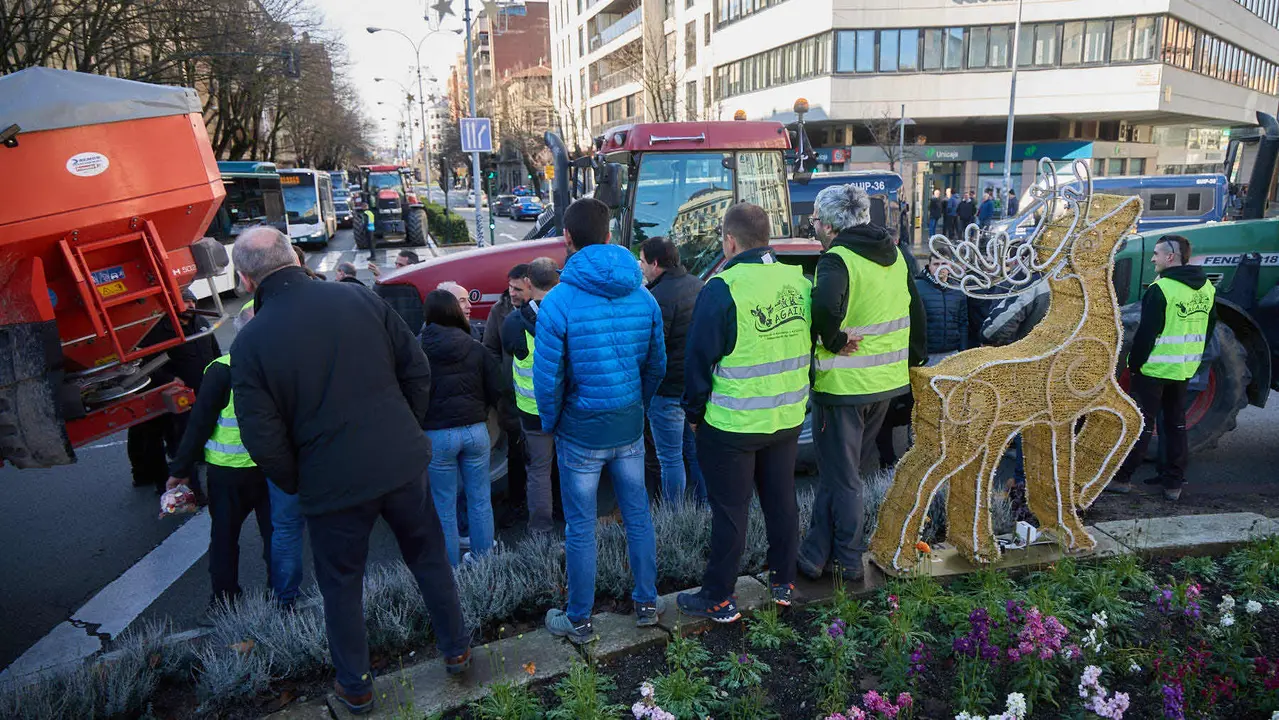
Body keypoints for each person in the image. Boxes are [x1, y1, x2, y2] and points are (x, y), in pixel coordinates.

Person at [228, 227, 471, 714]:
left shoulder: (251, 339)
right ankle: (458, 649)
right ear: (295, 256)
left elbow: (262, 435)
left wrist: (299, 479)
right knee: (430, 560)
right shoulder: (358, 299)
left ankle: (356, 686)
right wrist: (404, 428)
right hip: (401, 463)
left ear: (245, 278)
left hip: (330, 481)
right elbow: (416, 369)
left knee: (341, 585)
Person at [534, 197, 666, 642]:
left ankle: (580, 619)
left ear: (567, 239)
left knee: (581, 526)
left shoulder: (558, 302)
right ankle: (648, 603)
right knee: (638, 516)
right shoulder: (643, 296)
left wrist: (552, 422)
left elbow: (548, 379)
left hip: (580, 432)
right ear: (610, 236)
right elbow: (656, 365)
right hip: (628, 424)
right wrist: (635, 403)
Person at [678, 203, 810, 620]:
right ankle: (784, 582)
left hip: (732, 425)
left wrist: (694, 414)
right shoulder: (798, 281)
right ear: (767, 237)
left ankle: (718, 597)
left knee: (731, 513)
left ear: (729, 241)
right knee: (781, 502)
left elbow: (697, 361)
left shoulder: (722, 287)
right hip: (785, 419)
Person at [798, 184, 927, 583]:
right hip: (884, 385)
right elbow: (915, 310)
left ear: (832, 225)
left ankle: (850, 560)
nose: (814, 228)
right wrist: (915, 360)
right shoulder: (897, 255)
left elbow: (823, 308)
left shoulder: (837, 260)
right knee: (842, 473)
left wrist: (834, 340)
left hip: (843, 389)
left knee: (844, 479)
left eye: (816, 221)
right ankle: (812, 556)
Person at [165, 302, 270, 616]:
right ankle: (282, 595)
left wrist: (180, 469)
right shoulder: (282, 364)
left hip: (227, 474)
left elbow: (199, 424)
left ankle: (224, 603)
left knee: (224, 539)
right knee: (276, 537)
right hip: (270, 468)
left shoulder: (221, 369)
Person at [1108, 235, 1216, 501]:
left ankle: (1122, 479)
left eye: (1157, 254)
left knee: (1141, 424)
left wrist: (1134, 365)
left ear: (1171, 257)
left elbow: (1147, 334)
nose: (1153, 258)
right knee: (1176, 424)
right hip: (1183, 370)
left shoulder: (1162, 289)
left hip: (1154, 370)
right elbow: (1209, 327)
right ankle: (1172, 484)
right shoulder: (1206, 288)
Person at [419, 289, 503, 565]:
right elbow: (496, 388)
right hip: (475, 430)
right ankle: (483, 562)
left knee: (443, 504)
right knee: (480, 499)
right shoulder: (474, 346)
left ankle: (450, 569)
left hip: (437, 434)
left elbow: (411, 393)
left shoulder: (417, 348)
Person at [638, 236, 705, 507]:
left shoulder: (656, 298)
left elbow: (654, 349)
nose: (640, 267)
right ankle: (705, 507)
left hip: (666, 392)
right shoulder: (699, 285)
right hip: (694, 388)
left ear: (655, 264)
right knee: (695, 452)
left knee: (669, 458)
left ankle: (674, 516)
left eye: (642, 261)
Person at [502, 257, 561, 533]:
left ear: (528, 282)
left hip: (532, 410)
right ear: (557, 280)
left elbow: (508, 350)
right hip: (566, 407)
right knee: (574, 465)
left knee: (538, 471)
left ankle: (540, 529)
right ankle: (576, 520)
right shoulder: (568, 313)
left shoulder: (513, 322)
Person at [484, 265, 532, 527]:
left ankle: (551, 503)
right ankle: (517, 503)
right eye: (509, 287)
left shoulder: (542, 309)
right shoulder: (499, 310)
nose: (511, 293)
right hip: (511, 398)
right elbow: (490, 348)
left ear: (530, 285)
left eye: (517, 288)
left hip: (538, 399)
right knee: (515, 454)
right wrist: (501, 382)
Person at [917, 255, 970, 362]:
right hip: (927, 355)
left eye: (944, 264)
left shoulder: (958, 289)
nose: (940, 267)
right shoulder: (917, 288)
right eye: (936, 264)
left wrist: (963, 350)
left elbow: (963, 322)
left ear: (950, 266)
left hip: (953, 353)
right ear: (929, 266)